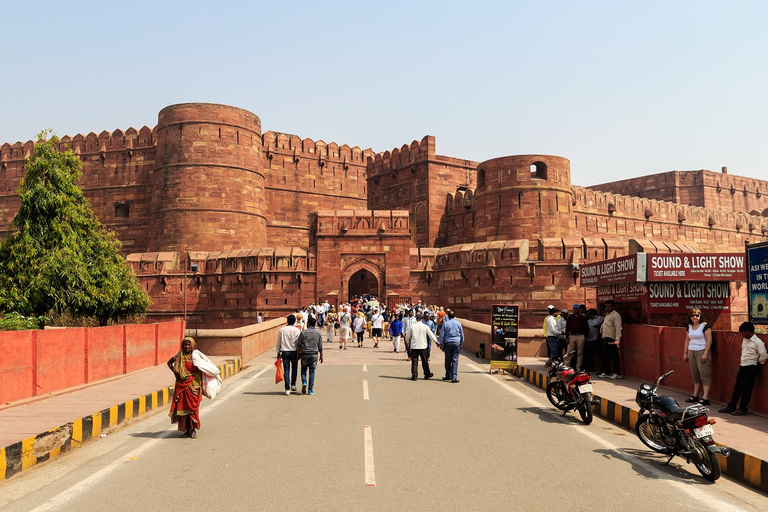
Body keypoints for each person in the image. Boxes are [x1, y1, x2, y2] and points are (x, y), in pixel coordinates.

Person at [167, 337, 219, 438]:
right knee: (183, 408)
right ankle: (186, 429)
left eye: (188, 345)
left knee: (193, 408)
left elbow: (204, 367)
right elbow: (169, 363)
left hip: (194, 386)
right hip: (181, 385)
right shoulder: (179, 355)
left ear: (192, 346)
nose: (187, 346)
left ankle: (193, 429)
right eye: (185, 345)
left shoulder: (196, 356)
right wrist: (175, 372)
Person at [719, 322, 767, 416]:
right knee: (738, 388)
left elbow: (764, 355)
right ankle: (731, 406)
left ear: (748, 331)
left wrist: (757, 364)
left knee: (746, 389)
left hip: (752, 367)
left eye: (743, 332)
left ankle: (743, 408)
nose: (742, 335)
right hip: (743, 365)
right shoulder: (745, 340)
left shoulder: (758, 342)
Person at [683, 308, 713, 405]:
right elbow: (687, 340)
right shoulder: (689, 327)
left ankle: (705, 397)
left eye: (697, 315)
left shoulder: (705, 326)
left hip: (702, 350)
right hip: (692, 350)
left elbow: (709, 340)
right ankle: (695, 395)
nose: (695, 317)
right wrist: (685, 352)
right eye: (693, 315)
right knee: (695, 374)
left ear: (700, 316)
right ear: (690, 317)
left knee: (704, 374)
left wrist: (705, 353)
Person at [296, 317, 324, 395]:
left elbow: (299, 345)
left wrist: (297, 355)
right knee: (312, 372)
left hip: (305, 354)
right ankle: (310, 389)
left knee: (303, 370)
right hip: (314, 354)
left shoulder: (303, 333)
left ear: (308, 323)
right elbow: (320, 345)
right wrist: (321, 355)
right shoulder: (318, 333)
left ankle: (304, 382)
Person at [405, 313, 436, 380]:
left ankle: (414, 376)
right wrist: (436, 342)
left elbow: (407, 336)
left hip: (414, 346)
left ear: (416, 319)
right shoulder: (425, 326)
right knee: (425, 361)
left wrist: (407, 341)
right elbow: (431, 335)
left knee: (414, 362)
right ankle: (427, 374)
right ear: (422, 319)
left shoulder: (412, 326)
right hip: (423, 346)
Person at [276, 314, 301, 395]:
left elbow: (278, 342)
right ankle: (293, 384)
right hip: (294, 351)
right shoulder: (297, 330)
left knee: (286, 370)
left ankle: (287, 388)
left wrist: (278, 352)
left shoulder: (282, 330)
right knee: (294, 368)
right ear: (294, 321)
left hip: (285, 351)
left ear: (287, 321)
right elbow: (298, 343)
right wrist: (299, 353)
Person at [599, 300, 623, 379]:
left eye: (609, 306)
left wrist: (617, 339)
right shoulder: (607, 315)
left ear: (613, 307)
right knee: (607, 356)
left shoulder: (616, 315)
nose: (607, 308)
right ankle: (606, 372)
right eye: (606, 306)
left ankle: (617, 373)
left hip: (613, 338)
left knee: (614, 356)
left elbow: (618, 328)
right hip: (606, 337)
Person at [439, 310, 464, 383]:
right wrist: (461, 343)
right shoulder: (458, 323)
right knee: (455, 360)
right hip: (456, 342)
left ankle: (448, 375)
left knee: (447, 360)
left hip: (448, 343)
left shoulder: (445, 324)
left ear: (448, 316)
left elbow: (442, 335)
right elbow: (462, 334)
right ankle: (454, 377)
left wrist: (441, 344)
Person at [564, 304, 589, 372]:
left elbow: (586, 328)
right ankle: (566, 367)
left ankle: (578, 368)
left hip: (580, 336)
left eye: (577, 309)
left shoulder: (582, 318)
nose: (575, 310)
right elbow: (567, 328)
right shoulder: (570, 317)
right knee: (569, 352)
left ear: (579, 309)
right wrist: (567, 337)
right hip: (572, 335)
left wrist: (584, 336)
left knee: (580, 353)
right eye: (574, 309)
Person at [585, 308, 603, 373]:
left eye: (589, 313)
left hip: (596, 339)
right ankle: (589, 368)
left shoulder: (599, 318)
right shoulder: (588, 320)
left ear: (592, 314)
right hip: (588, 339)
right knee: (588, 354)